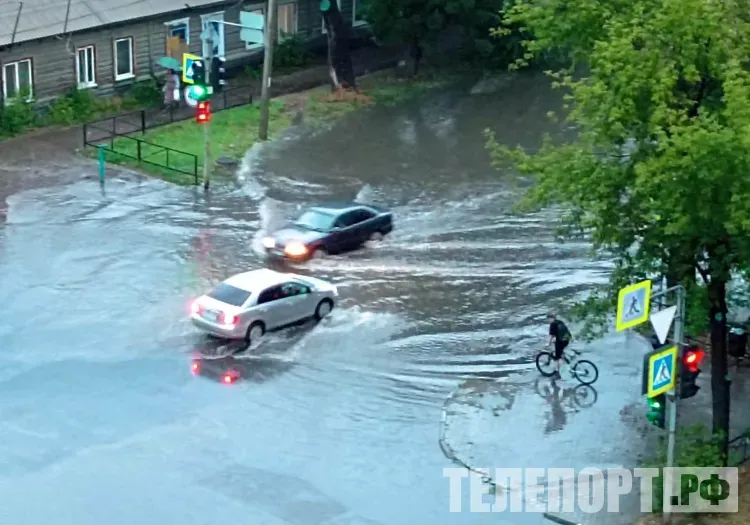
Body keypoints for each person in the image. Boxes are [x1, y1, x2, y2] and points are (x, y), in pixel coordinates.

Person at [547, 312, 571, 377]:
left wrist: (549, 344)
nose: (548, 320)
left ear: (551, 318)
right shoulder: (560, 322)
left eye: (548, 319)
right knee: (560, 350)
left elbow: (552, 336)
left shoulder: (552, 324)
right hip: (567, 338)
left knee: (557, 357)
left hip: (561, 341)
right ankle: (566, 361)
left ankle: (558, 371)